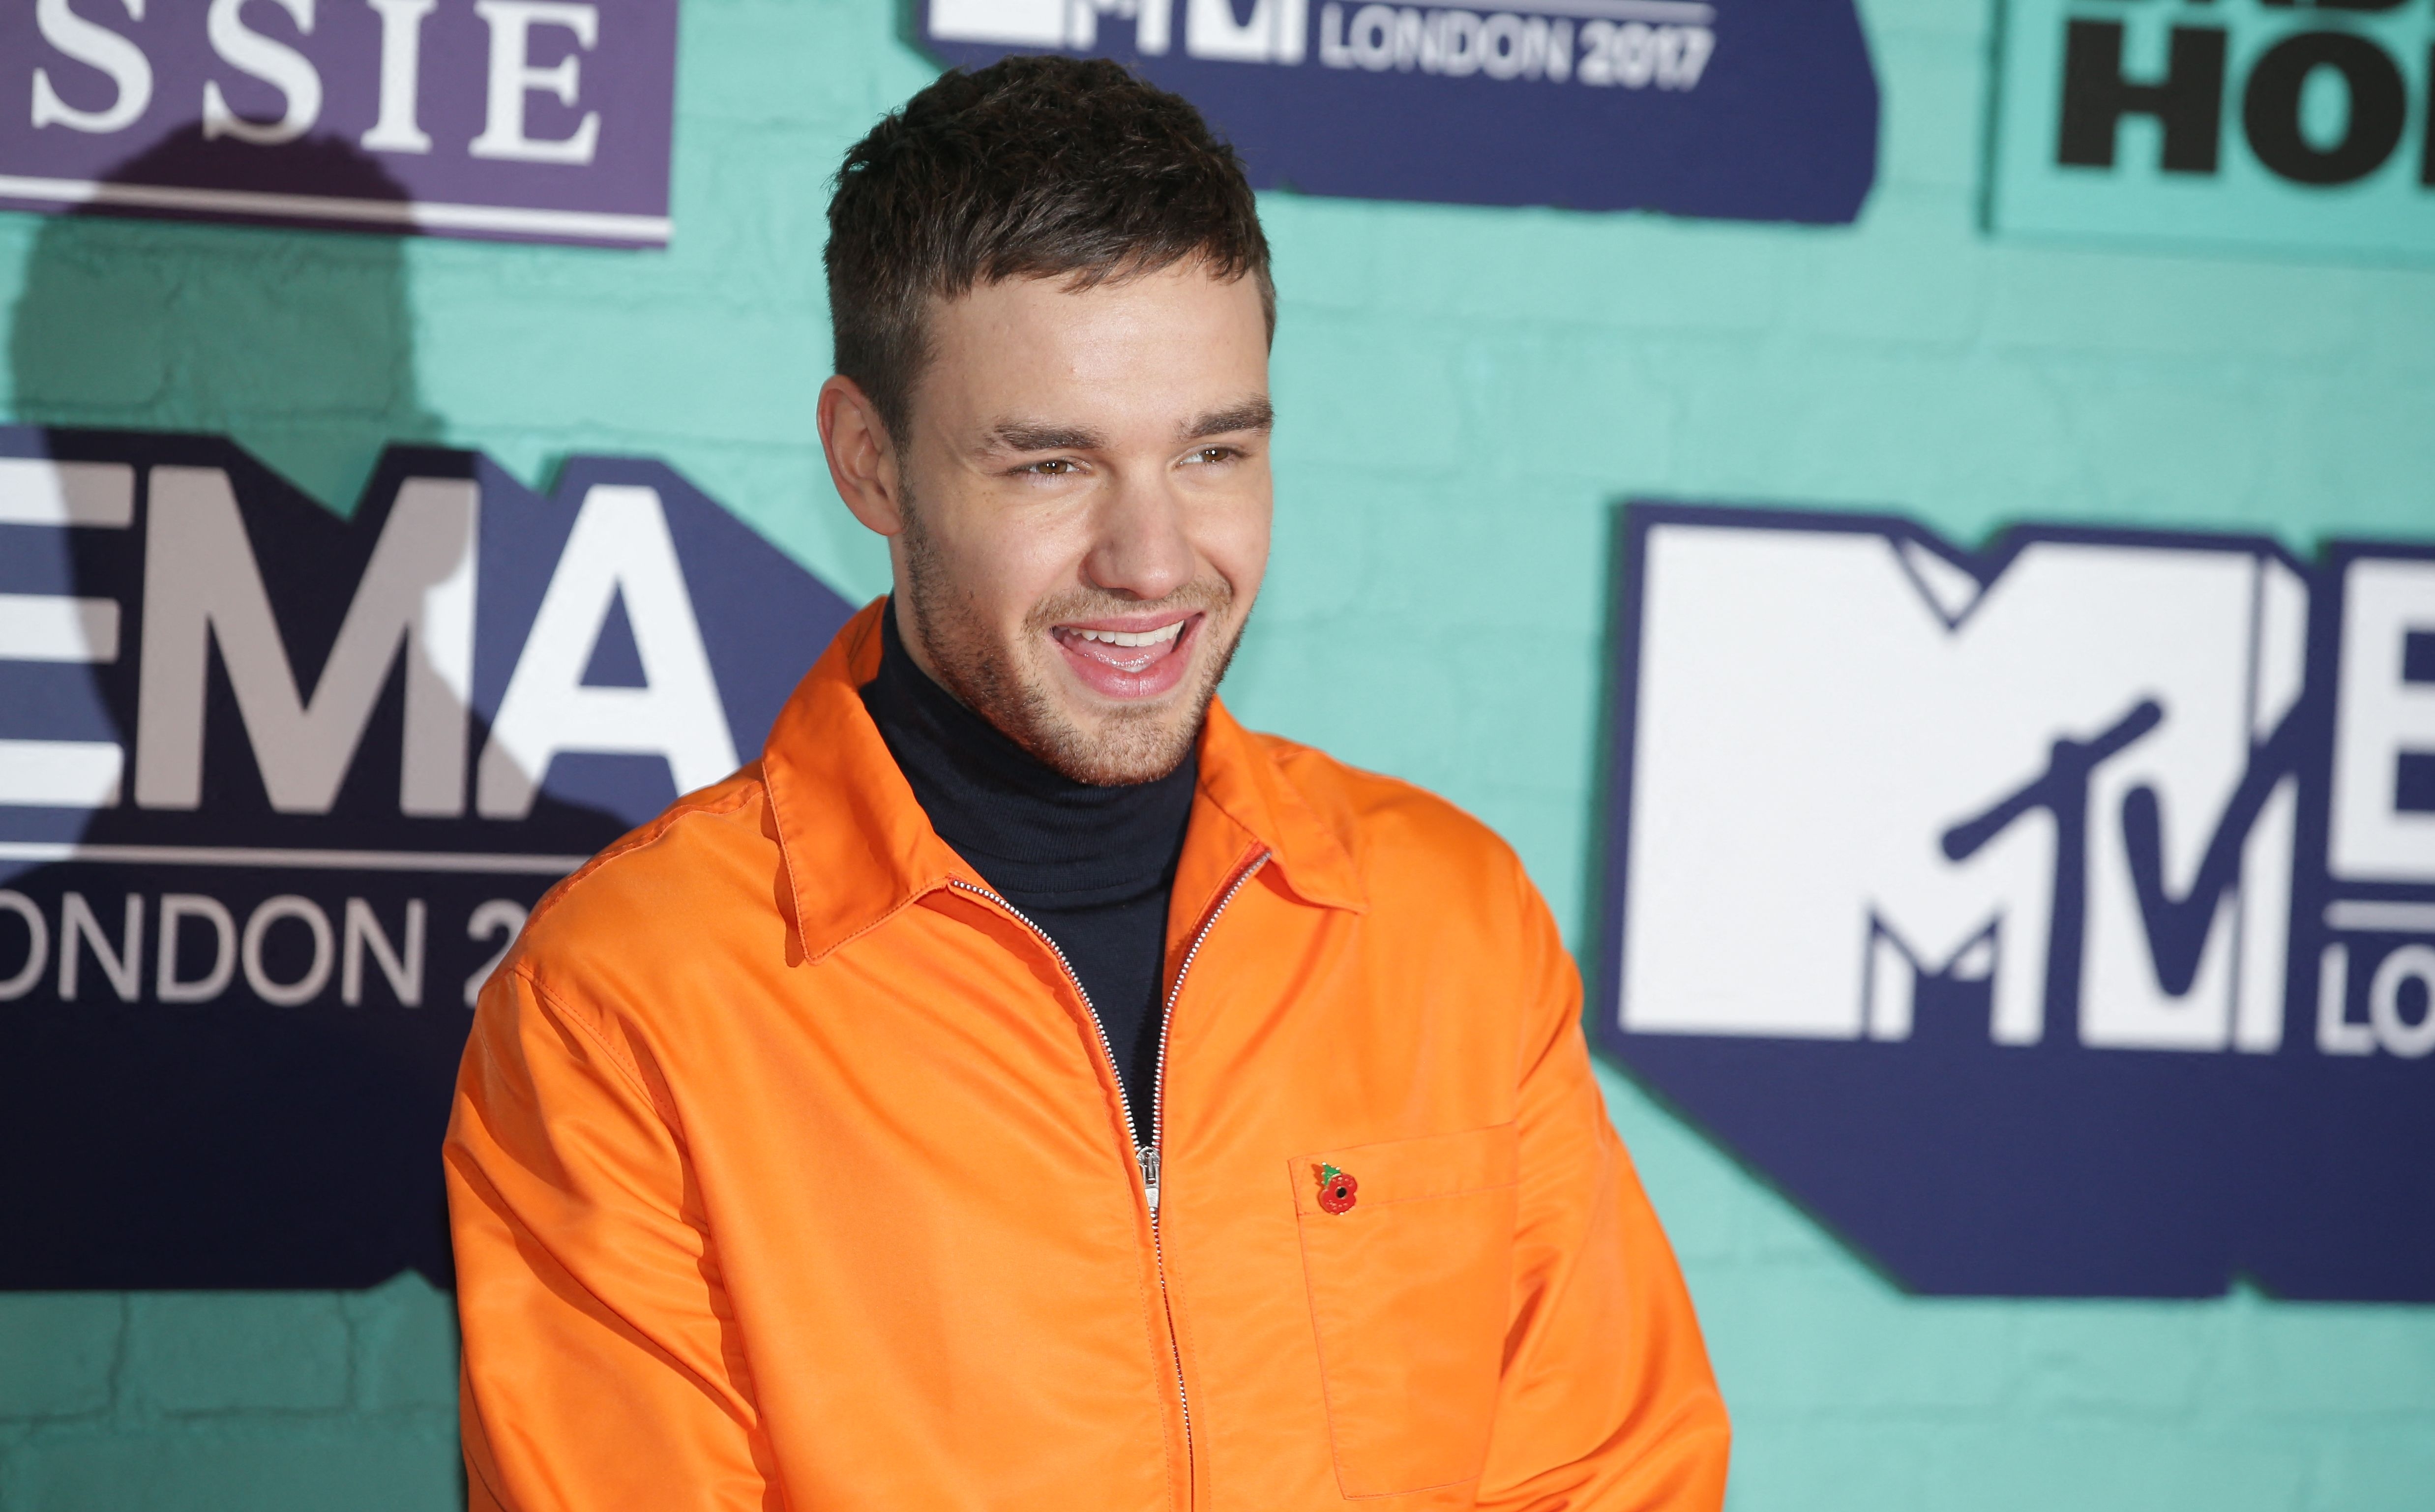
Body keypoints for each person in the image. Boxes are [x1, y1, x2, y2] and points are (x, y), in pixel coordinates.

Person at [444, 55, 1728, 1511]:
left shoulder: (1454, 921)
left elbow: (1612, 1475)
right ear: (870, 464)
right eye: (1054, 466)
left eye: (1214, 451)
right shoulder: (628, 999)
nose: (1156, 558)